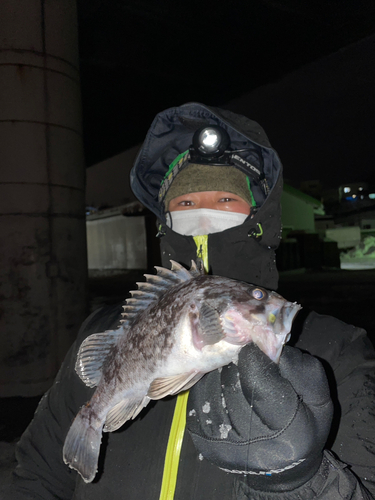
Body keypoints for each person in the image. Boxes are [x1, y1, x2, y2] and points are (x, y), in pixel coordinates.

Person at [7, 103, 375, 499]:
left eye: (225, 200)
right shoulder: (100, 329)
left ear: (259, 217)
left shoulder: (342, 351)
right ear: (164, 219)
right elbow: (35, 479)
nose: (202, 213)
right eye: (185, 203)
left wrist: (301, 480)